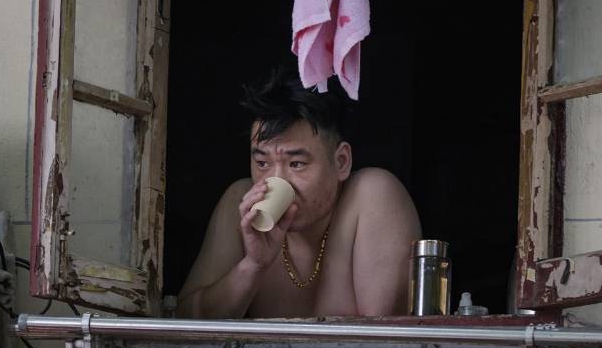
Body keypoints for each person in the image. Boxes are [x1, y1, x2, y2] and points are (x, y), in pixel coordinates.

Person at [177, 69, 422, 318]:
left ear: (341, 162)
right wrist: (253, 266)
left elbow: (386, 331)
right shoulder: (241, 202)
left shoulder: (371, 194)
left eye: (296, 164)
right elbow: (186, 321)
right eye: (262, 163)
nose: (276, 181)